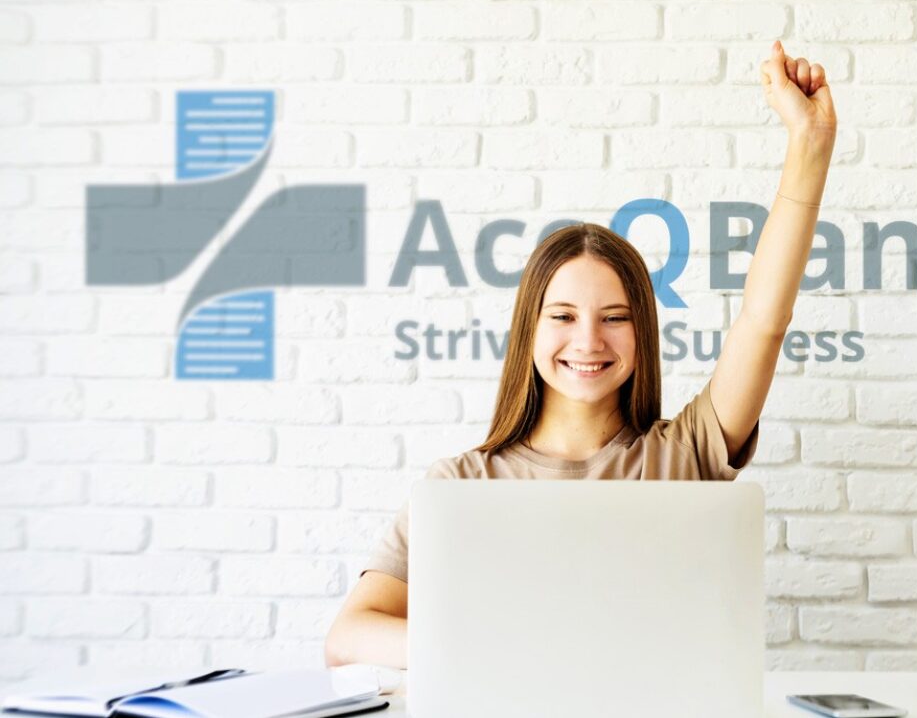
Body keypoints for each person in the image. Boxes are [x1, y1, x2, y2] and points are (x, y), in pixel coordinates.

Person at [324, 39, 837, 669]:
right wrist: (499, 650)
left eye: (615, 318)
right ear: (530, 332)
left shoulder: (683, 454)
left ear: (642, 334)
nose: (588, 341)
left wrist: (809, 145)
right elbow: (348, 637)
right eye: (563, 317)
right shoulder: (462, 484)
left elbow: (764, 320)